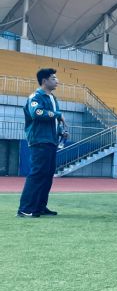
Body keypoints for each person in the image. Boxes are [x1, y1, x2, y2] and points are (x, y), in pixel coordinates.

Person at [17, 68, 69, 218]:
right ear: (44, 81)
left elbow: (52, 121)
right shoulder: (36, 96)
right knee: (38, 174)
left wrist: (60, 131)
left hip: (51, 140)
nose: (57, 81)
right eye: (53, 78)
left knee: (47, 174)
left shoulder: (52, 98)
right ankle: (25, 208)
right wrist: (58, 115)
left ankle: (40, 206)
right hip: (39, 140)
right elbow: (37, 113)